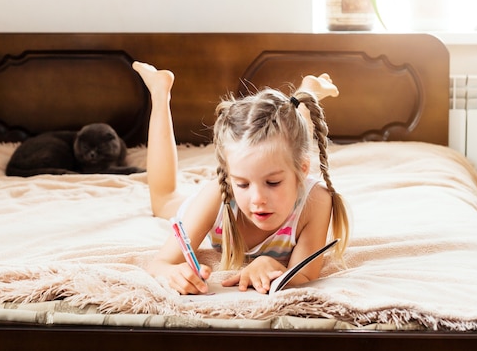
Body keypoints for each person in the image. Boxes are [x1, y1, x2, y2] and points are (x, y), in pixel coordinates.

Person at [132, 61, 350, 295]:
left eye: (273, 182)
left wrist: (271, 264)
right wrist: (172, 273)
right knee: (165, 200)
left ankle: (307, 93)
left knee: (289, 147)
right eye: (243, 183)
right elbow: (159, 264)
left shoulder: (316, 200)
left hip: (293, 165)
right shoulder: (217, 193)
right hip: (219, 198)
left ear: (304, 171)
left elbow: (305, 273)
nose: (257, 199)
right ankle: (159, 89)